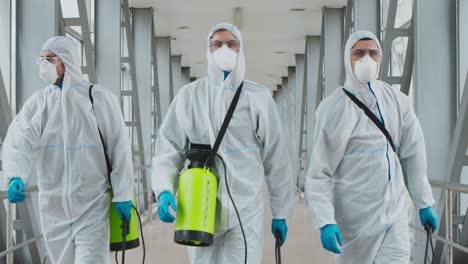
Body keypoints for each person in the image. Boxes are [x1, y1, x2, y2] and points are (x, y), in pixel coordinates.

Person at [152, 22, 295, 264]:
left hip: (244, 209)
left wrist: (280, 211)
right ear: (208, 50)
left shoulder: (257, 98)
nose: (224, 49)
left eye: (232, 43)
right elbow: (169, 147)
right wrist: (164, 189)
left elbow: (276, 158)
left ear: (241, 49)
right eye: (217, 44)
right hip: (199, 207)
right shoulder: (189, 95)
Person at [306, 31, 438, 263]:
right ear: (348, 58)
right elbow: (319, 172)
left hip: (394, 214)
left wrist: (424, 202)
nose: (366, 58)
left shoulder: (397, 101)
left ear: (380, 57)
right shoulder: (333, 108)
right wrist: (325, 220)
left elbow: (413, 153)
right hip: (355, 218)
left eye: (372, 53)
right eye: (359, 53)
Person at [4, 36, 134, 263]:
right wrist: (16, 175)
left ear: (68, 61)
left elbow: (119, 147)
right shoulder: (39, 103)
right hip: (53, 210)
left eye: (51, 59)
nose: (45, 65)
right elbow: (19, 140)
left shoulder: (98, 99)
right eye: (42, 59)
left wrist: (123, 193)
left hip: (92, 206)